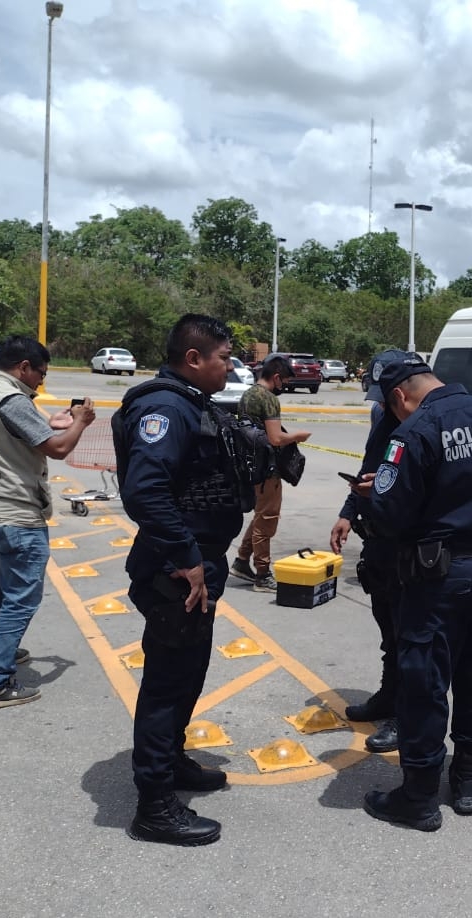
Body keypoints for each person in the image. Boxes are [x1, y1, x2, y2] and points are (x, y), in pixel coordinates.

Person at [356, 350, 472, 831]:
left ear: (398, 397)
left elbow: (391, 518)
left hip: (438, 578)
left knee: (424, 685)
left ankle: (420, 796)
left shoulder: (414, 432)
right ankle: (467, 780)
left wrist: (375, 497)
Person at [116, 313, 246, 847]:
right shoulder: (165, 407)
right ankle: (154, 807)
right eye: (224, 357)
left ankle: (170, 761)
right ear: (194, 359)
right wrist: (188, 556)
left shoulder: (189, 402)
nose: (230, 366)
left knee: (188, 672)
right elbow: (146, 490)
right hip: (177, 567)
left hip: (194, 561)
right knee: (167, 684)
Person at [0, 335, 96, 710]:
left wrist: (50, 422)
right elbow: (58, 448)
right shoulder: (11, 399)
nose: (40, 381)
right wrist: (80, 422)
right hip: (15, 510)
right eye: (40, 373)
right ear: (23, 367)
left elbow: (15, 434)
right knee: (21, 596)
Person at [329, 396, 403, 754]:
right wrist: (348, 511)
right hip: (378, 543)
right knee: (388, 630)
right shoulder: (384, 422)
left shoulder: (425, 428)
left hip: (408, 547)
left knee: (409, 639)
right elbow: (367, 470)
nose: (381, 405)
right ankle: (388, 697)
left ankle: (406, 716)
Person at [230, 354, 311, 593]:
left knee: (260, 515)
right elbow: (276, 438)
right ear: (276, 377)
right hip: (267, 469)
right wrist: (297, 436)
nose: (284, 386)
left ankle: (242, 561)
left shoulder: (248, 394)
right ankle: (262, 575)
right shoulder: (268, 400)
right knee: (267, 521)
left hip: (251, 465)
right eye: (284, 381)